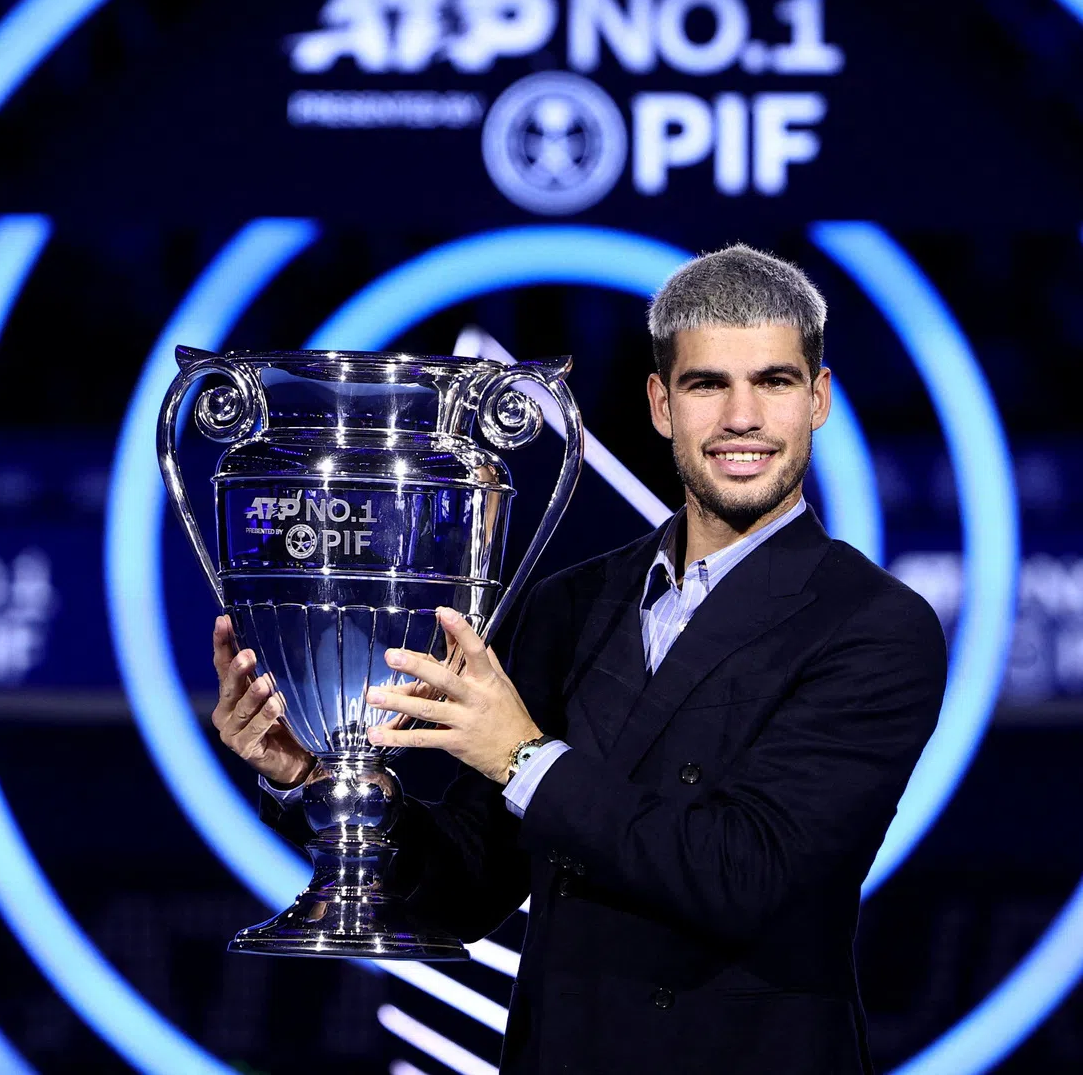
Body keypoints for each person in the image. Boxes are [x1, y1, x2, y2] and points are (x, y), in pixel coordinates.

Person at [211, 244, 947, 1075]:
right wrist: (315, 775)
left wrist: (523, 758)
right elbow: (465, 894)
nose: (743, 417)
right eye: (709, 384)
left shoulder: (875, 626)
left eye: (773, 382)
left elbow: (746, 878)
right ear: (661, 404)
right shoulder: (568, 603)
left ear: (817, 401)